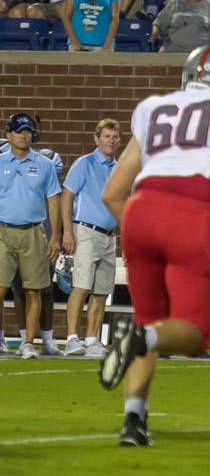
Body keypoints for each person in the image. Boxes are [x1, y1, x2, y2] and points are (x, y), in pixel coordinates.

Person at [98, 46, 210, 446]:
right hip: (194, 214)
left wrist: (144, 229)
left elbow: (112, 194)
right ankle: (137, 339)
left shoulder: (155, 109)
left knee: (151, 320)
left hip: (141, 212)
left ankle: (133, 420)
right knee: (191, 334)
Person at [0, 113, 62, 359]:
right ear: (9, 135)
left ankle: (27, 343)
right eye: (19, 131)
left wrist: (55, 236)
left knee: (34, 290)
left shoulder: (45, 165)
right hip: (3, 232)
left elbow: (53, 200)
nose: (24, 135)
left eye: (28, 131)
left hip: (34, 232)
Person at [59, 119, 120, 357]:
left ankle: (92, 340)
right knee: (81, 286)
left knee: (101, 291)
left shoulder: (120, 168)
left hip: (109, 237)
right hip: (84, 232)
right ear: (97, 139)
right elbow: (67, 196)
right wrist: (67, 231)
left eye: (115, 137)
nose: (111, 141)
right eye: (106, 136)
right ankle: (73, 339)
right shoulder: (83, 164)